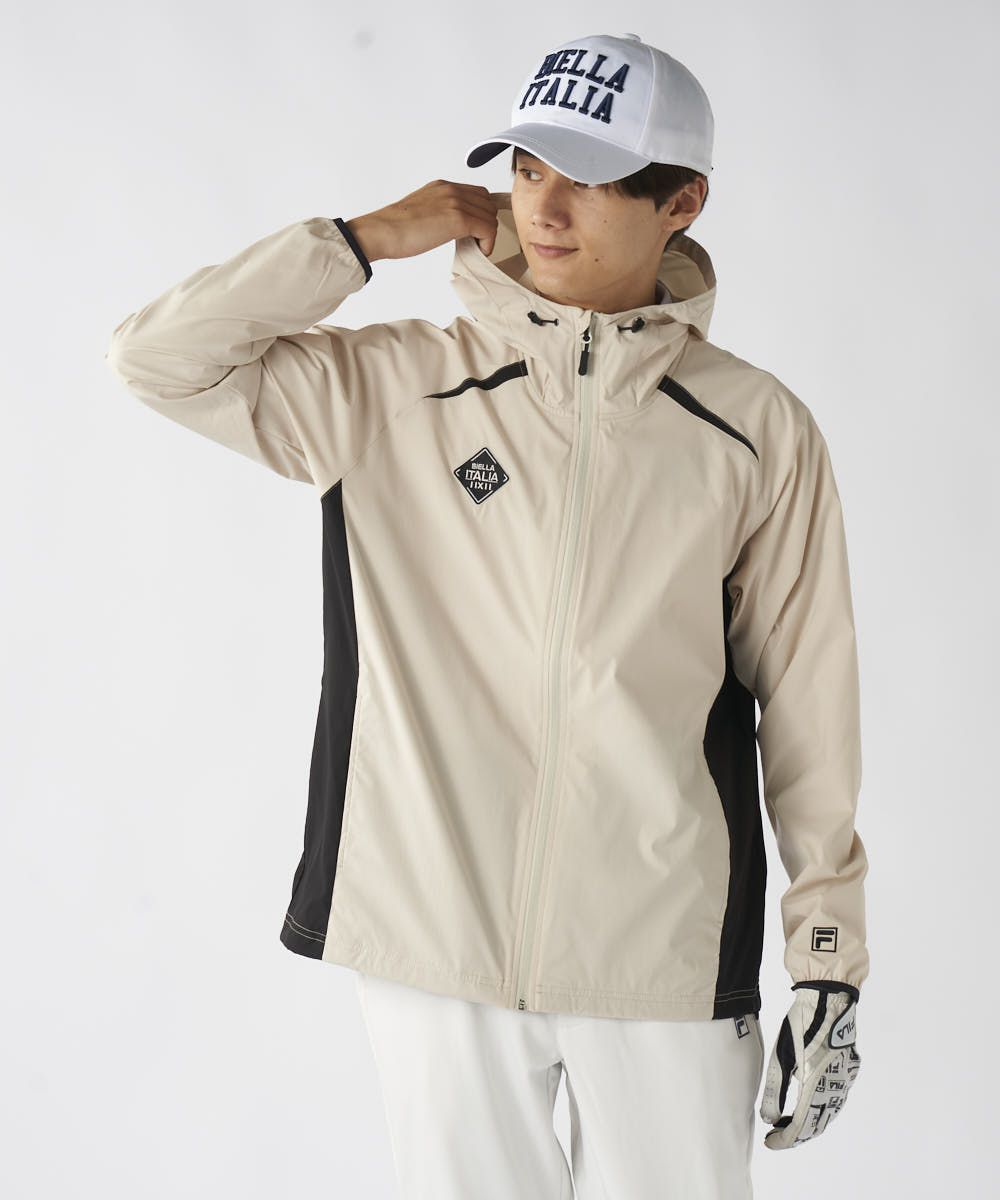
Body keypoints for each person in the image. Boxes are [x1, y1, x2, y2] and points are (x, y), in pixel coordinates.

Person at [105, 30, 868, 1199]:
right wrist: (361, 240)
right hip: (434, 940)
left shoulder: (755, 431)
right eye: (525, 168)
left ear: (681, 202)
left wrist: (827, 957)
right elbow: (158, 360)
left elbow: (810, 709)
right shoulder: (388, 387)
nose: (542, 209)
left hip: (659, 950)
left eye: (590, 179)